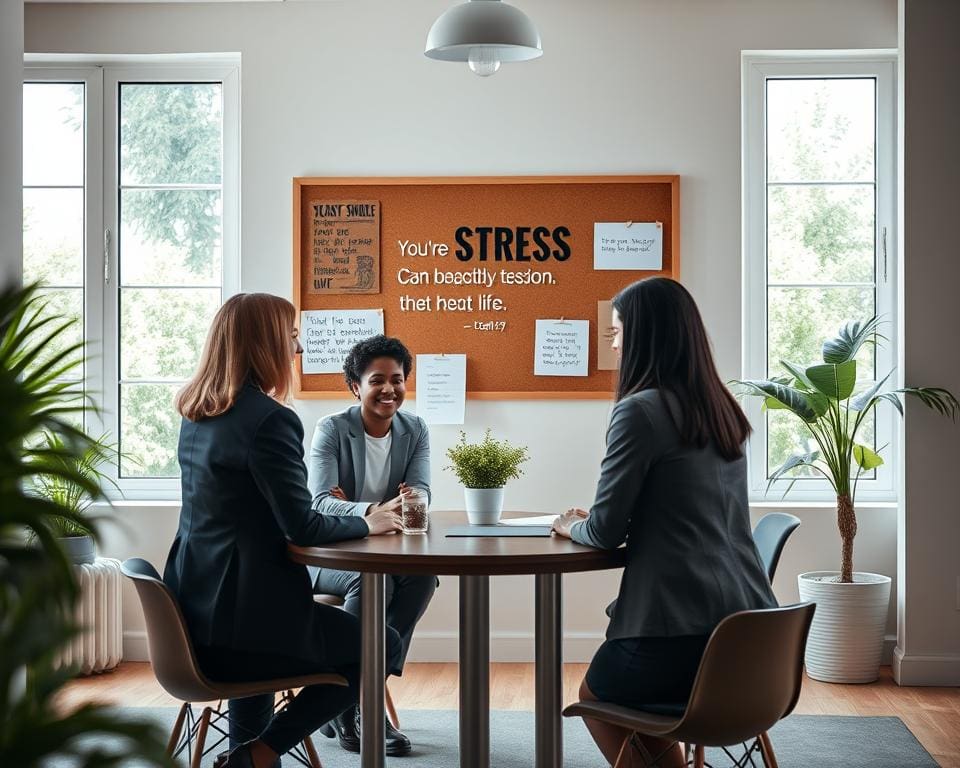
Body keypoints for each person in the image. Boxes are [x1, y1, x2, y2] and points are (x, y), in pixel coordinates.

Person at [163, 293, 403, 768]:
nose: (296, 350)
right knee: (383, 644)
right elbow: (303, 523)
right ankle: (261, 752)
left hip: (194, 620)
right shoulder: (270, 420)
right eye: (292, 337)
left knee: (333, 637)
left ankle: (245, 756)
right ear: (265, 343)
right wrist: (366, 521)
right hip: (246, 630)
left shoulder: (197, 416)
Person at [552, 277, 777, 768]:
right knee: (629, 706)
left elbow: (606, 531)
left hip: (677, 639)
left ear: (644, 335)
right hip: (753, 641)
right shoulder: (722, 408)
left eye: (616, 332)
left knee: (596, 698)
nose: (612, 343)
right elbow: (689, 509)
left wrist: (570, 525)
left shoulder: (639, 412)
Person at [307, 334, 436, 757]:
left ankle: (351, 695)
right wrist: (375, 512)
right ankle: (361, 709)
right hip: (327, 558)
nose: (389, 389)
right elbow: (320, 503)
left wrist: (361, 508)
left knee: (421, 579)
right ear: (355, 386)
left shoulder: (414, 428)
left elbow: (419, 497)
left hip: (387, 554)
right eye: (376, 379)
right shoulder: (332, 429)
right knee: (372, 582)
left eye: (397, 380)